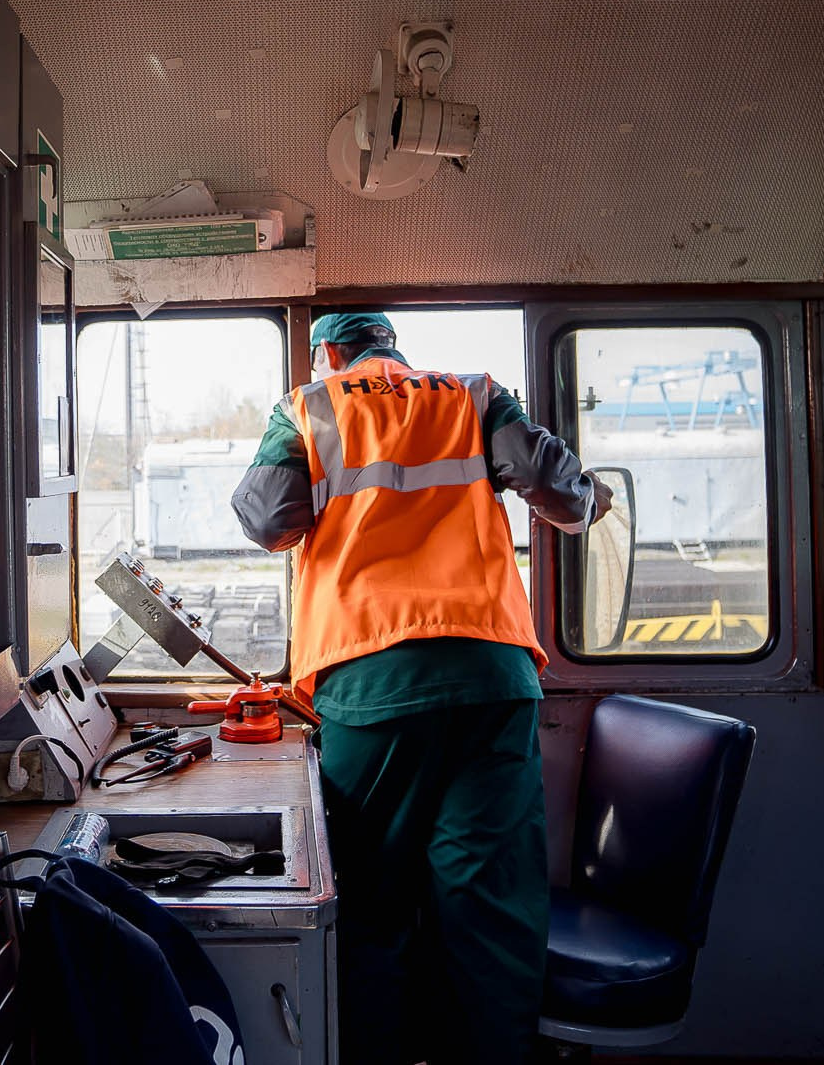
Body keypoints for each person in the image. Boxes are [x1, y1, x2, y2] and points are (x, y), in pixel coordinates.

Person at [229, 310, 609, 1065]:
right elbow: (553, 487)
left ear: (331, 351)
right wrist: (596, 500)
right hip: (490, 681)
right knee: (490, 910)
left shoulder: (311, 403)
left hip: (373, 684)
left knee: (370, 908)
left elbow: (268, 516)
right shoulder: (473, 393)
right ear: (394, 347)